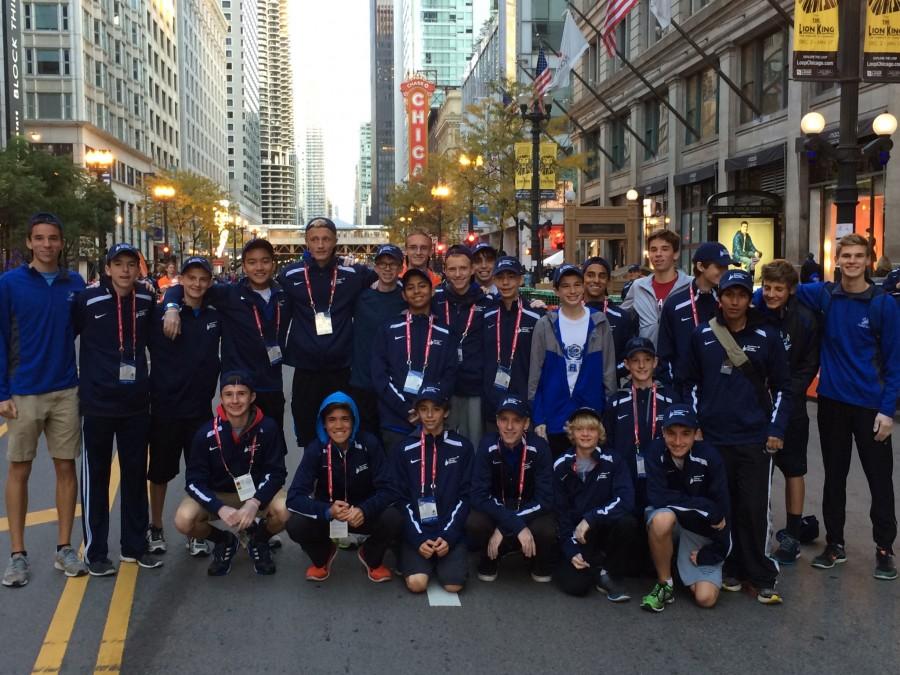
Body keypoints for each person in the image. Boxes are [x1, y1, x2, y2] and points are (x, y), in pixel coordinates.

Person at [676, 269, 790, 604]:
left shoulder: (767, 337)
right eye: (729, 294)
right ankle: (730, 565)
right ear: (720, 297)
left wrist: (776, 429)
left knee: (754, 508)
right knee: (721, 506)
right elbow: (688, 383)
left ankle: (761, 574)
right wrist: (693, 425)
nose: (735, 301)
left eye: (741, 294)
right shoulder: (702, 336)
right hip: (712, 438)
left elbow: (784, 388)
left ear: (747, 298)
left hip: (755, 438)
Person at [795, 233, 900, 580]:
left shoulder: (882, 304)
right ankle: (835, 544)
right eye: (846, 256)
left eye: (858, 256)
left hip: (871, 407)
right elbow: (780, 289)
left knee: (879, 480)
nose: (852, 261)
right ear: (837, 260)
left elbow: (895, 362)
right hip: (832, 403)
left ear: (868, 260)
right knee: (834, 478)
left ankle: (884, 549)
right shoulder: (824, 294)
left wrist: (888, 410)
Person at [0, 213, 86, 587]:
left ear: (61, 242)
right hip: (23, 392)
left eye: (53, 238)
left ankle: (64, 548)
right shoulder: (9, 284)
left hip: (66, 390)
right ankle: (17, 554)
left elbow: (81, 330)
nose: (47, 245)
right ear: (29, 243)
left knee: (66, 469)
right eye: (40, 238)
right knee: (19, 470)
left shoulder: (76, 284)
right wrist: (2, 392)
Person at [76, 243, 162, 576]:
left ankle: (135, 546)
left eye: (132, 264)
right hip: (97, 404)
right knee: (96, 479)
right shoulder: (87, 300)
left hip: (137, 404)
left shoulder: (145, 299)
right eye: (118, 264)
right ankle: (96, 552)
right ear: (107, 269)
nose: (126, 270)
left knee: (135, 475)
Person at [163, 239, 288, 437]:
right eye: (252, 262)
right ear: (244, 266)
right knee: (235, 450)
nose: (259, 267)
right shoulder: (229, 293)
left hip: (272, 384)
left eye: (265, 261)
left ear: (273, 264)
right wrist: (171, 308)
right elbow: (186, 287)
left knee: (272, 448)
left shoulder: (284, 294)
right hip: (237, 387)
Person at [174, 371, 288, 576]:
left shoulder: (268, 428)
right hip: (218, 495)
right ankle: (224, 540)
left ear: (252, 397)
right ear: (221, 398)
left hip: (255, 495)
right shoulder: (205, 433)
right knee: (183, 519)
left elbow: (276, 472)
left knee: (287, 511)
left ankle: (259, 539)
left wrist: (254, 503)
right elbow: (193, 482)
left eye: (241, 394)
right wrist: (219, 508)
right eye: (229, 394)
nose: (235, 400)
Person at [277, 218, 376, 446]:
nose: (320, 245)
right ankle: (313, 478)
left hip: (341, 368)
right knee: (307, 432)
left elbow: (388, 283)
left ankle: (341, 477)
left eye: (326, 239)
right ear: (306, 242)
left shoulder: (353, 273)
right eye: (315, 239)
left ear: (335, 242)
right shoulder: (289, 275)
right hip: (306, 369)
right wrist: (173, 301)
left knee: (343, 431)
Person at [285, 392, 403, 582]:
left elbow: (390, 489)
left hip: (363, 514)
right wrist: (327, 510)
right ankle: (323, 555)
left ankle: (371, 556)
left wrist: (364, 509)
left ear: (354, 421)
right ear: (323, 423)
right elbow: (294, 497)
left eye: (345, 419)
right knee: (295, 524)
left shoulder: (369, 443)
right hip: (330, 516)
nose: (338, 426)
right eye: (332, 420)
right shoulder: (316, 449)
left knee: (394, 517)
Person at [147, 257, 221, 557]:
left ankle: (196, 529)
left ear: (210, 282)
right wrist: (171, 306)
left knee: (199, 473)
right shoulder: (159, 315)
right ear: (182, 279)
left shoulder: (216, 315)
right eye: (191, 278)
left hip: (199, 409)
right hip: (165, 407)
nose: (197, 284)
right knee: (160, 474)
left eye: (203, 279)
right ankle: (155, 526)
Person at [754, 260, 820, 564]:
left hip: (791, 406)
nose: (771, 293)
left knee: (793, 469)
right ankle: (758, 528)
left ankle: (792, 533)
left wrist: (788, 393)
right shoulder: (755, 316)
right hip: (757, 405)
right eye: (767, 287)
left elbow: (809, 364)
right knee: (758, 470)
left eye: (778, 289)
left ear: (791, 289)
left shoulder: (806, 319)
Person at [640, 405, 730, 612]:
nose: (678, 442)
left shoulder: (710, 456)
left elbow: (724, 511)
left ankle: (687, 567)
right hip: (675, 520)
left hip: (699, 530)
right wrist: (706, 507)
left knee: (705, 599)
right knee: (661, 518)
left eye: (685, 434)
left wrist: (715, 552)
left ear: (696, 434)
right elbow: (657, 496)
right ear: (662, 433)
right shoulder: (655, 451)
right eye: (671, 434)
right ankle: (665, 584)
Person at [390, 386, 473, 594]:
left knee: (453, 585)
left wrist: (449, 535)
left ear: (445, 412)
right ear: (416, 412)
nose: (429, 415)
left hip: (448, 531)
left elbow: (466, 496)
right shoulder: (404, 449)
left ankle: (446, 561)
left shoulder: (462, 447)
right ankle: (415, 559)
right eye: (423, 409)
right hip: (418, 531)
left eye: (435, 409)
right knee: (417, 584)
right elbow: (401, 499)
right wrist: (418, 538)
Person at [528, 264, 617, 458]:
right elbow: (535, 376)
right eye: (566, 286)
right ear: (556, 290)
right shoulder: (545, 324)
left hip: (590, 414)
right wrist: (539, 417)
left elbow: (608, 373)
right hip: (555, 414)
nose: (572, 291)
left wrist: (608, 416)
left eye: (577, 285)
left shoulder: (599, 322)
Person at [467, 396, 556, 582]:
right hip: (496, 506)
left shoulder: (540, 447)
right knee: (475, 521)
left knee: (547, 527)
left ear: (526, 424)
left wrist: (508, 524)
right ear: (497, 422)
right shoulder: (486, 445)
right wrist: (512, 523)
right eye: (504, 420)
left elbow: (546, 499)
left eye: (516, 420)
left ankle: (535, 559)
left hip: (529, 506)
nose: (509, 427)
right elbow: (478, 495)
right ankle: (490, 558)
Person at [603, 337, 674, 569]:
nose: (641, 366)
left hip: (660, 479)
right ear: (627, 364)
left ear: (656, 362)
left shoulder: (670, 400)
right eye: (635, 361)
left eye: (647, 360)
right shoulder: (616, 402)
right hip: (627, 480)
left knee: (657, 521)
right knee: (627, 524)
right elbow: (608, 446)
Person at [553, 407, 636, 600]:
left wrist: (591, 518)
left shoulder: (614, 460)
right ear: (571, 432)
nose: (585, 434)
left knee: (627, 523)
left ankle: (607, 569)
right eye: (580, 429)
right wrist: (571, 550)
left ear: (599, 433)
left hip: (603, 528)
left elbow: (626, 500)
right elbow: (560, 512)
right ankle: (596, 569)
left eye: (591, 429)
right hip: (577, 536)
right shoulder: (561, 465)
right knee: (576, 587)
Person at [371, 269, 458, 451]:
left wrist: (428, 410)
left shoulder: (446, 332)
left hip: (433, 422)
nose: (416, 291)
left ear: (432, 290)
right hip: (395, 422)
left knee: (433, 476)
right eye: (410, 287)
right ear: (403, 294)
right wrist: (406, 409)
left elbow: (450, 375)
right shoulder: (388, 328)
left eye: (422, 286)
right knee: (397, 478)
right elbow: (380, 377)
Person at [432, 244, 492, 446]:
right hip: (442, 387)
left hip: (474, 387)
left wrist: (535, 304)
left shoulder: (486, 301)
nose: (458, 274)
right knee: (444, 446)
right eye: (452, 269)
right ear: (445, 271)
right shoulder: (435, 299)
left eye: (463, 268)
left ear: (472, 269)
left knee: (473, 444)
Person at [348, 244, 407, 435]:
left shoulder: (408, 300)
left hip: (394, 384)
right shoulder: (361, 297)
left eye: (393, 264)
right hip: (363, 382)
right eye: (383, 264)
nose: (387, 268)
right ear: (376, 267)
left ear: (400, 268)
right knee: (367, 440)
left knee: (392, 441)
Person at [481, 256, 543, 431]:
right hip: (493, 402)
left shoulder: (536, 316)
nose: (506, 283)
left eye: (511, 277)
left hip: (524, 402)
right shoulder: (487, 315)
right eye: (500, 278)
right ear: (494, 280)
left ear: (521, 280)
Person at [656, 242, 732, 384]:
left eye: (726, 267)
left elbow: (732, 347)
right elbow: (665, 354)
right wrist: (674, 388)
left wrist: (725, 378)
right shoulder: (675, 305)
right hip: (684, 389)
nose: (725, 272)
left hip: (719, 388)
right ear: (700, 266)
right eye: (719, 267)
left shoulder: (728, 303)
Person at [620, 230, 692, 345]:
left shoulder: (690, 285)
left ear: (676, 254)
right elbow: (621, 316)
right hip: (647, 357)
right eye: (653, 250)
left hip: (681, 356)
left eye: (664, 249)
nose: (658, 254)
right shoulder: (638, 286)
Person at [582, 256, 638, 383]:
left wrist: (608, 373)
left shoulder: (622, 317)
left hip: (609, 391)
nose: (596, 280)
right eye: (590, 275)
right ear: (582, 278)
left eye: (602, 276)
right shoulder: (569, 314)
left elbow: (630, 356)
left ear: (608, 281)